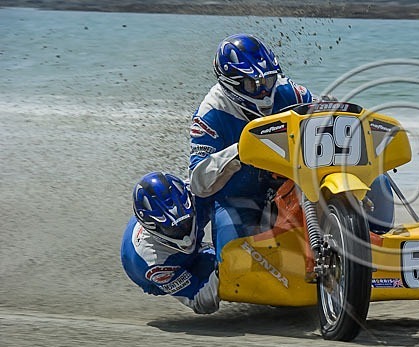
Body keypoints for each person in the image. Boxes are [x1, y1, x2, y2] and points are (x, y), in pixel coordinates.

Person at [188, 33, 394, 264]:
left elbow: (319, 112)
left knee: (377, 179)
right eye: (253, 84)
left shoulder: (288, 90)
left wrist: (334, 113)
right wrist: (239, 152)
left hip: (292, 184)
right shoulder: (210, 115)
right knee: (233, 262)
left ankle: (377, 243)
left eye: (268, 80)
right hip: (241, 199)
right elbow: (198, 182)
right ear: (230, 85)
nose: (265, 90)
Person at [120, 171, 220, 314]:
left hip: (166, 244)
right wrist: (223, 271)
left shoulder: (194, 195)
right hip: (157, 269)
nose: (184, 235)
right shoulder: (155, 265)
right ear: (153, 228)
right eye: (173, 229)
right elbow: (201, 302)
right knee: (212, 265)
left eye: (186, 222)